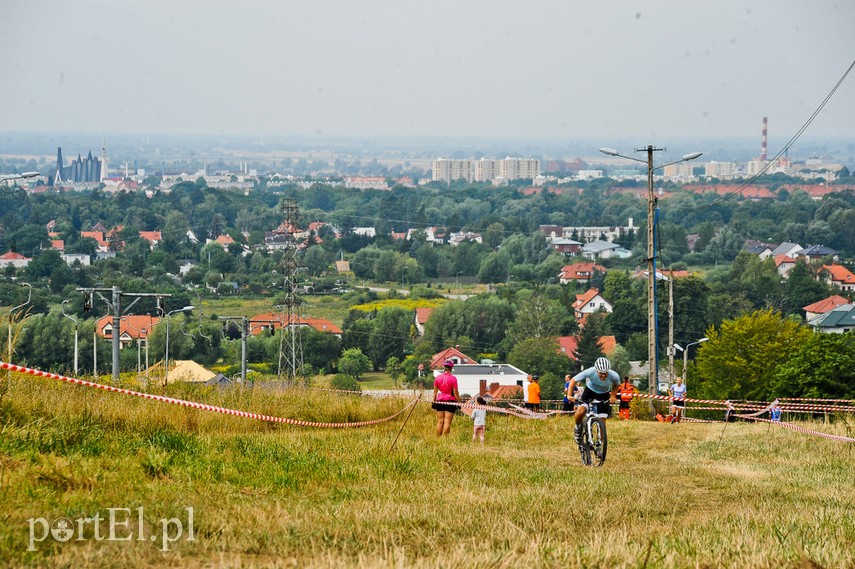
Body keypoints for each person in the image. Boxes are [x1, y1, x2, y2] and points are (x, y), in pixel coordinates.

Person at [568, 357, 621, 444]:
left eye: (605, 373)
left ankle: (600, 444)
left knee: (602, 421)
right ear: (596, 371)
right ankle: (578, 428)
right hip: (589, 392)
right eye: (601, 373)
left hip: (604, 394)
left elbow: (617, 385)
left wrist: (613, 395)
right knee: (581, 412)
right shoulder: (590, 371)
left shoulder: (614, 375)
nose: (603, 375)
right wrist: (569, 395)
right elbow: (573, 380)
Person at [432, 360, 460, 437]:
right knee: (447, 421)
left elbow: (435, 392)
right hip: (450, 401)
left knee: (440, 421)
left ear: (444, 367)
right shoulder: (453, 378)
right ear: (451, 368)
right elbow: (455, 393)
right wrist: (459, 402)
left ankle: (438, 438)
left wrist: (433, 402)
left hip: (439, 400)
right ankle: (444, 439)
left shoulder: (437, 378)